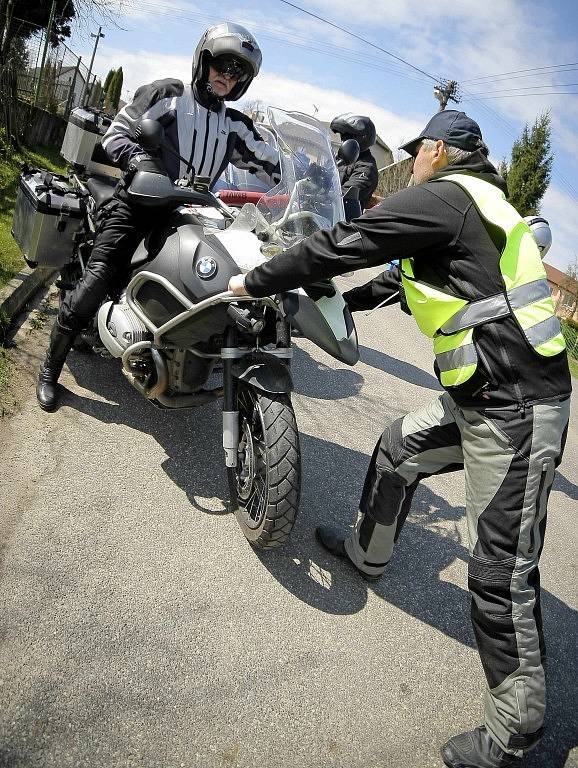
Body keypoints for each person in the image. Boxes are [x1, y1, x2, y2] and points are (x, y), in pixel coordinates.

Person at [228, 110, 571, 767]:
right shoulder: (475, 205)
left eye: (417, 152)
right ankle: (367, 553)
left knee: (501, 573)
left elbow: (349, 240)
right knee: (396, 449)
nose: (411, 162)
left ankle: (514, 732)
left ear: (438, 151)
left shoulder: (446, 195)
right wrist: (333, 307)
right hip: (482, 395)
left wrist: (262, 279)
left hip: (518, 410)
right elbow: (399, 280)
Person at [36, 21, 280, 411]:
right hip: (140, 203)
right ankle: (50, 369)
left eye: (238, 72)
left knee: (220, 279)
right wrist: (138, 160)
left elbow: (273, 167)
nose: (226, 77)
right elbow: (116, 134)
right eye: (222, 65)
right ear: (204, 61)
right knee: (98, 279)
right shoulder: (168, 95)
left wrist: (305, 184)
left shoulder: (236, 125)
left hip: (192, 213)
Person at [330, 113, 379, 210]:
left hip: (340, 219)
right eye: (343, 137)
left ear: (363, 138)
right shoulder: (340, 159)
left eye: (348, 137)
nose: (343, 141)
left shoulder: (367, 168)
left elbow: (343, 196)